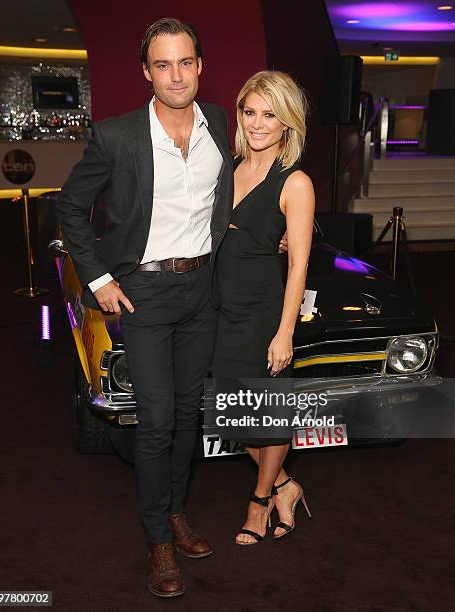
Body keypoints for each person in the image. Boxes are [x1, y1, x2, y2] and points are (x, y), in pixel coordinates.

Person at [56, 18, 234, 598]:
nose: (176, 74)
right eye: (163, 64)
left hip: (202, 290)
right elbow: (70, 208)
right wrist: (100, 277)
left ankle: (178, 513)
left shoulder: (221, 127)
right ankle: (158, 537)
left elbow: (230, 196)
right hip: (146, 293)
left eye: (185, 62)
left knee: (188, 414)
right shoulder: (118, 136)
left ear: (200, 67)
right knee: (156, 419)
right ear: (147, 73)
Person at [212, 70, 315, 545]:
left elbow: (297, 267)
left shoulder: (294, 182)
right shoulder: (228, 166)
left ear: (287, 122)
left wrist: (284, 332)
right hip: (218, 308)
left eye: (269, 114)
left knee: (268, 416)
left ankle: (257, 506)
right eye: (250, 112)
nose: (257, 123)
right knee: (229, 415)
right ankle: (285, 485)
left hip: (260, 312)